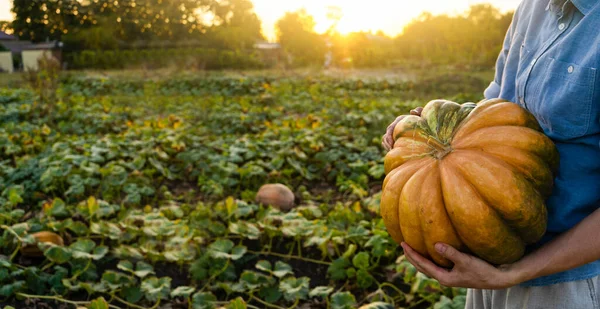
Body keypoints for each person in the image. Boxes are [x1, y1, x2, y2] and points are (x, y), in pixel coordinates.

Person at [381, 0, 600, 308]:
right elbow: (495, 107)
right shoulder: (532, 7)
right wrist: (428, 130)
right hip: (486, 264)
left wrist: (516, 272)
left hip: (567, 281)